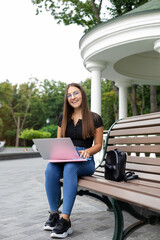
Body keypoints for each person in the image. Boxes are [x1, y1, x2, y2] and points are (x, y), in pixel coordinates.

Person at [44, 83, 104, 238]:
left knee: (71, 167)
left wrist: (87, 151)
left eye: (75, 93)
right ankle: (54, 213)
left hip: (85, 161)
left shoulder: (95, 118)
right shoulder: (62, 118)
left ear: (82, 95)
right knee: (50, 168)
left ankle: (65, 220)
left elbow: (98, 145)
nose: (72, 97)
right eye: (69, 95)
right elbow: (59, 143)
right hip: (66, 157)